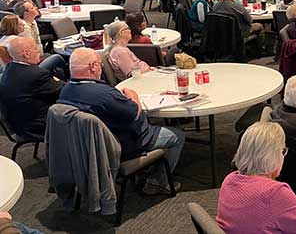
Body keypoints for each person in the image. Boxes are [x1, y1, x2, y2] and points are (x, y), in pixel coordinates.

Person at [59, 47, 184, 195]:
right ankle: (157, 182)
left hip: (88, 147)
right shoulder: (103, 94)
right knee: (178, 136)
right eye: (100, 64)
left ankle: (146, 170)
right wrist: (133, 96)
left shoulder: (65, 91)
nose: (101, 68)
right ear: (93, 67)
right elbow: (134, 114)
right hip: (123, 145)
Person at [216, 121, 296, 234]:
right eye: (282, 151)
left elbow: (257, 211)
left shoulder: (230, 179)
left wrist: (295, 203)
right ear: (272, 156)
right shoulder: (275, 192)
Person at [0, 36, 65, 140]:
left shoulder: (9, 68)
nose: (38, 51)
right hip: (36, 126)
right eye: (35, 48)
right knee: (79, 110)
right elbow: (64, 91)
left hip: (18, 124)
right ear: (26, 53)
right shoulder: (36, 74)